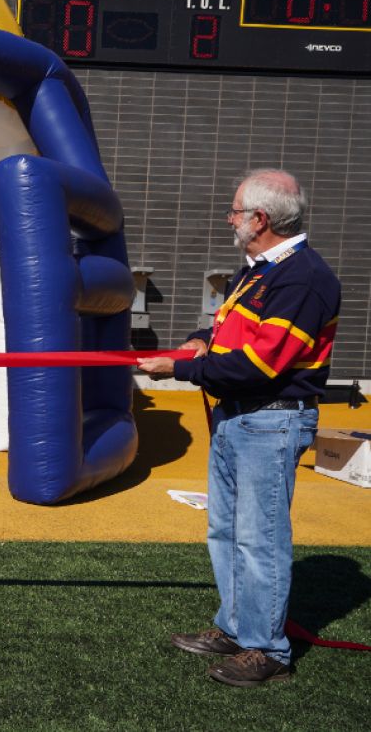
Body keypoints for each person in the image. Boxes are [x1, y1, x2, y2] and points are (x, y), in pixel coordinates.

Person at [137, 168, 339, 687]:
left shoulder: (303, 277)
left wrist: (178, 368)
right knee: (226, 530)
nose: (229, 219)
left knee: (260, 539)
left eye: (234, 211)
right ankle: (235, 626)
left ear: (259, 219)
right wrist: (198, 340)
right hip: (239, 417)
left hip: (270, 420)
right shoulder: (261, 269)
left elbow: (261, 365)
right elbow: (227, 329)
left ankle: (266, 648)